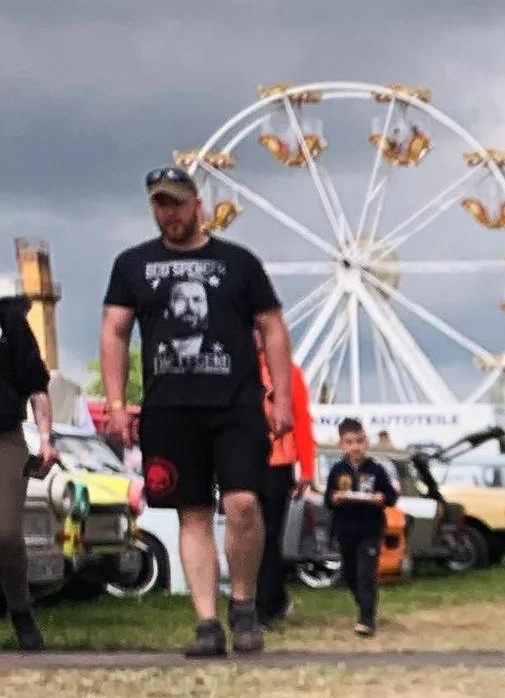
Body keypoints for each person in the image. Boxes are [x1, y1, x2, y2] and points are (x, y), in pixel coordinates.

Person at [99, 167, 296, 659]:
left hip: (236, 404)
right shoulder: (133, 265)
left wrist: (284, 399)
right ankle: (207, 622)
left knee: (244, 504)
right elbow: (115, 332)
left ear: (197, 204)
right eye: (161, 204)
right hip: (169, 408)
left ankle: (245, 605)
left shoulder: (237, 263)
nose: (170, 213)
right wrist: (118, 404)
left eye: (178, 203)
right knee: (193, 514)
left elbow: (272, 327)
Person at [0, 292, 52, 653]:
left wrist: (46, 439)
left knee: (5, 533)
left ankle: (20, 609)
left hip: (5, 437)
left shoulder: (10, 321)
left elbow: (36, 385)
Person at [253, 347, 316, 626]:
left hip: (278, 465)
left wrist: (307, 468)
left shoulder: (289, 372)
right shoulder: (236, 366)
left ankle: (267, 605)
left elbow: (302, 419)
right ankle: (267, 600)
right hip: (243, 461)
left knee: (269, 536)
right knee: (249, 535)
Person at [322, 418, 397, 637]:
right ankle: (363, 603)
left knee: (366, 573)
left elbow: (391, 496)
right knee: (351, 574)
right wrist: (335, 498)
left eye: (360, 441)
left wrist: (381, 497)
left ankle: (367, 619)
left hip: (370, 529)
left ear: (366, 442)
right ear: (341, 445)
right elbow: (328, 499)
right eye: (350, 442)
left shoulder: (376, 469)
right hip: (345, 530)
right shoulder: (337, 470)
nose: (355, 447)